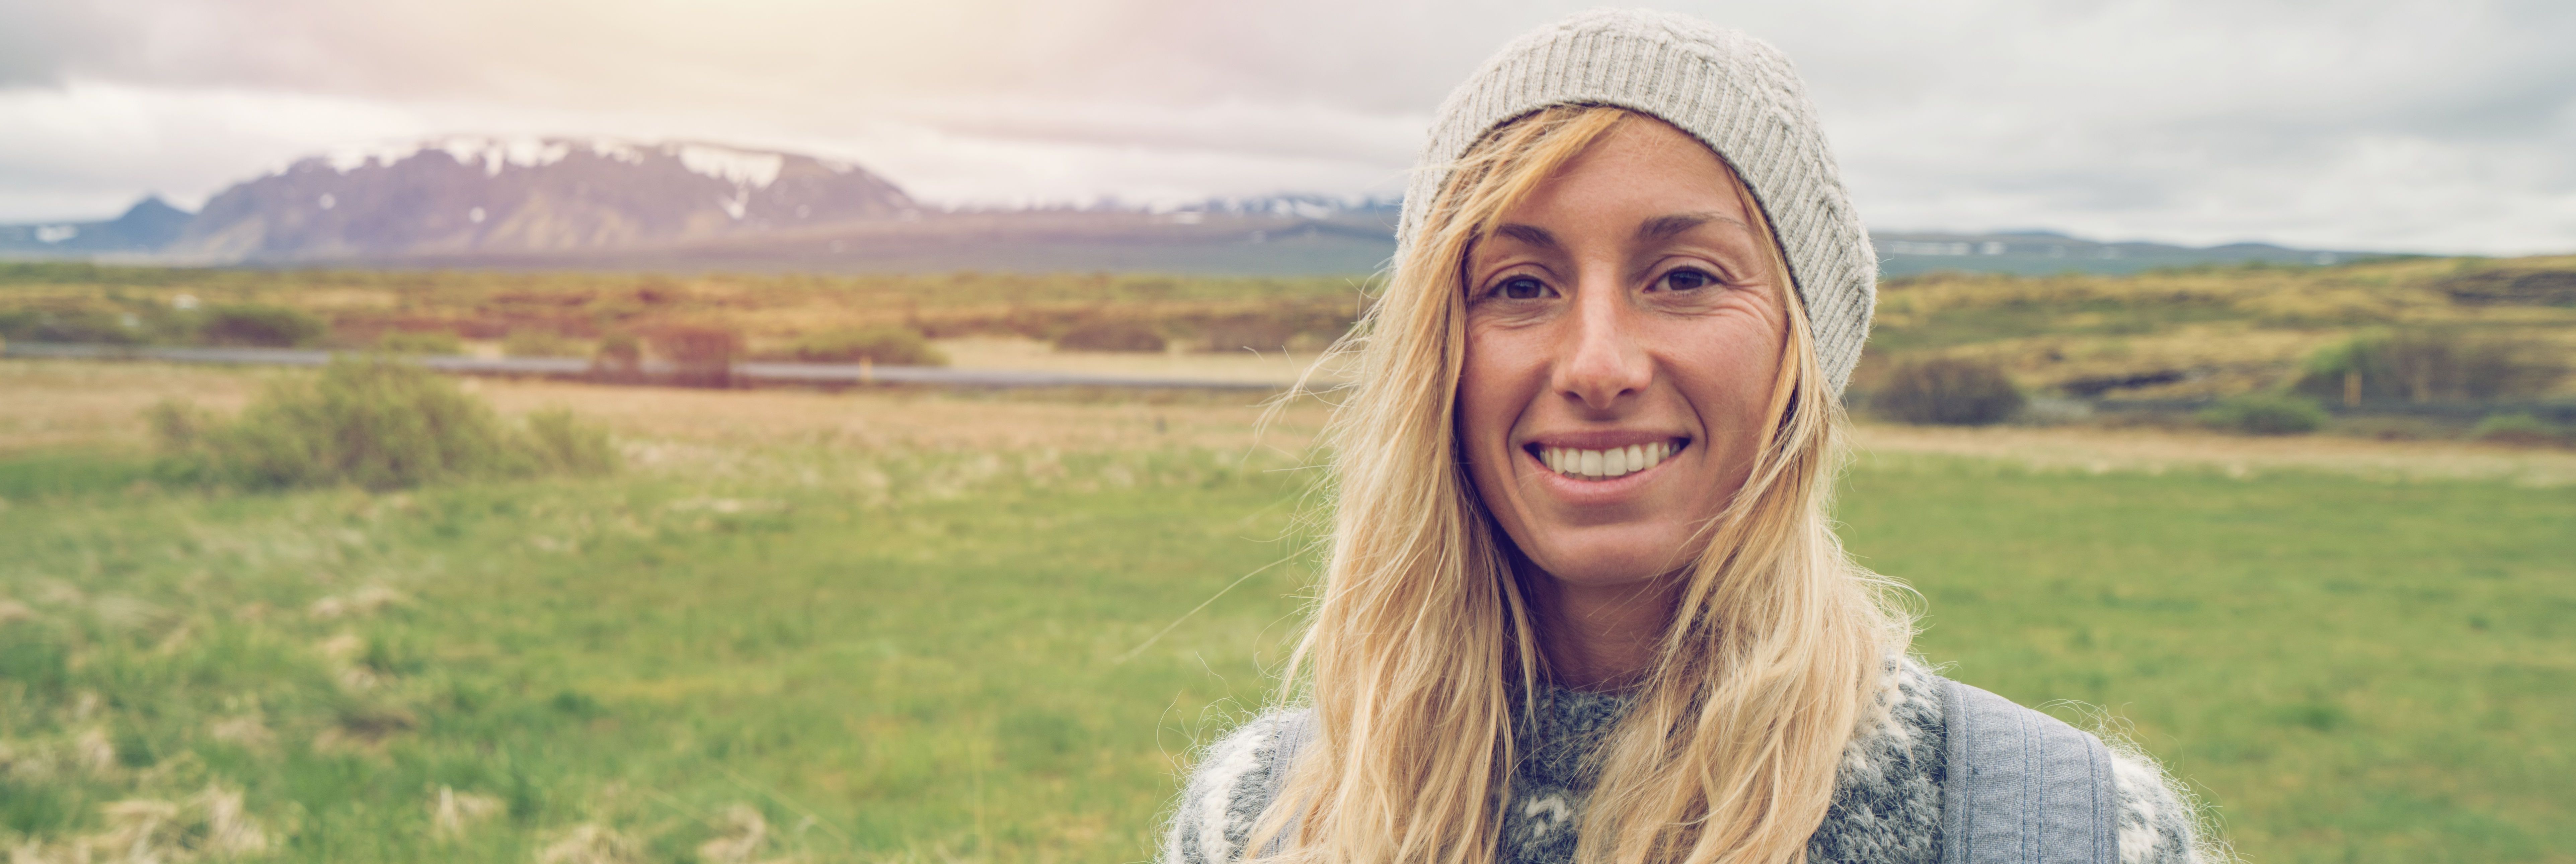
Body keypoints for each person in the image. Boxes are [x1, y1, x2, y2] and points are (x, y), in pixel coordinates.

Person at [1163, 10, 2213, 864]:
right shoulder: (1262, 826)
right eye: (1520, 287)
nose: (1599, 365)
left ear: (1802, 352)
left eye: (1687, 279)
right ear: (1435, 359)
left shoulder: (2084, 834)